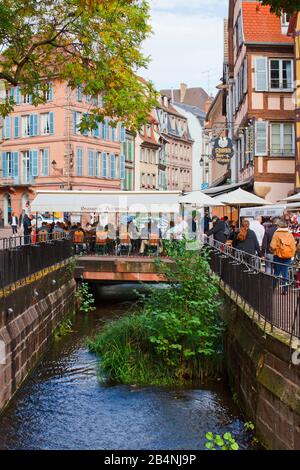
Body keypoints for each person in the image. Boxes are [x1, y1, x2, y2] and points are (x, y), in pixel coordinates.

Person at [270, 219, 296, 295]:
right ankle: (286, 290)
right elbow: (293, 247)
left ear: (279, 226)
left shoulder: (276, 234)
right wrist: (292, 255)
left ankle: (273, 288)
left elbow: (272, 246)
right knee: (285, 273)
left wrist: (273, 250)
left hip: (278, 256)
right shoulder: (289, 234)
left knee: (276, 273)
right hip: (287, 256)